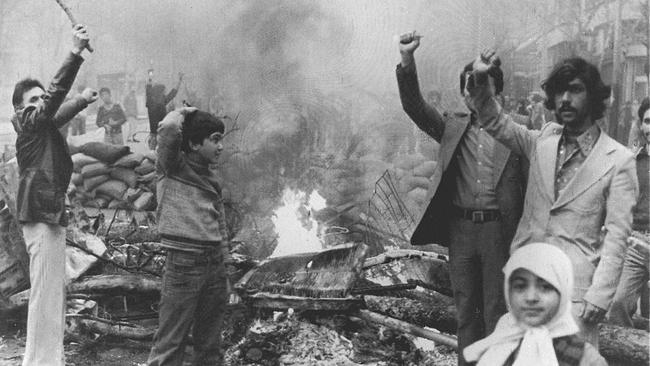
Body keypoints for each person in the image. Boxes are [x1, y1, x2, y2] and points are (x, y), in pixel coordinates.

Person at [471, 51, 638, 346]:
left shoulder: (618, 160)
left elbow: (617, 237)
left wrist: (599, 296)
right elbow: (494, 121)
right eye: (560, 90)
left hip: (575, 299)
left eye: (575, 89)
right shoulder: (543, 141)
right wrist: (482, 78)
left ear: (594, 97)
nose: (564, 98)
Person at [396, 31, 528, 365]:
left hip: (501, 233)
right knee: (467, 314)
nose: (473, 92)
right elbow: (413, 105)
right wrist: (407, 59)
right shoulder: (452, 127)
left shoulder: (518, 131)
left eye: (480, 84)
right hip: (462, 233)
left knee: (499, 313)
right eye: (468, 85)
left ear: (496, 90)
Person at [11, 24, 97, 366]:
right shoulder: (29, 124)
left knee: (50, 299)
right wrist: (74, 53)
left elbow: (56, 111)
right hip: (42, 217)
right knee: (45, 301)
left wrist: (81, 100)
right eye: (33, 100)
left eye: (40, 97)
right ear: (20, 110)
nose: (39, 103)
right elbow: (50, 106)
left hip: (49, 215)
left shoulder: (39, 125)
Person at [146, 107, 231, 365]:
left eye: (221, 140)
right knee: (171, 343)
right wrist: (185, 111)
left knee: (209, 345)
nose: (221, 147)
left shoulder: (212, 180)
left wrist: (227, 268)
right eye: (215, 139)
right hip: (184, 265)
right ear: (194, 143)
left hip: (214, 264)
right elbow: (169, 129)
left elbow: (221, 226)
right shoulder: (171, 167)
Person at [464, 243, 607, 366]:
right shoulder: (501, 343)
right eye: (520, 286)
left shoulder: (584, 358)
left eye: (545, 287)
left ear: (562, 292)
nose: (531, 297)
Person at [607, 97, 650, 327]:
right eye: (647, 121)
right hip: (636, 242)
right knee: (618, 303)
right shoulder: (633, 159)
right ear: (641, 125)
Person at [146, 70, 183, 150]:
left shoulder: (158, 102)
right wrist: (150, 77)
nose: (165, 92)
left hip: (158, 136)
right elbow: (148, 90)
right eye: (164, 91)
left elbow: (173, 93)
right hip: (158, 136)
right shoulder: (152, 102)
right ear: (160, 92)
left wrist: (179, 81)